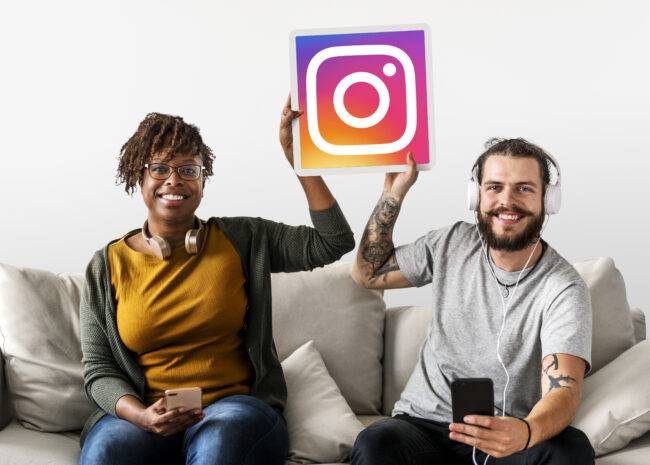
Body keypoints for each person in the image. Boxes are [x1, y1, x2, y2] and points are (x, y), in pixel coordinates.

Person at [79, 98, 355, 465]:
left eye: (188, 170)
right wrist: (140, 415)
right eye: (159, 168)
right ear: (138, 176)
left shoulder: (244, 238)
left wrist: (299, 159)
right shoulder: (106, 265)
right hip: (145, 415)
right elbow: (99, 369)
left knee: (219, 444)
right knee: (106, 452)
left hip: (232, 411)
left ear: (203, 181)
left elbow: (333, 241)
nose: (174, 180)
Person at [350, 139, 595, 465]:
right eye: (494, 187)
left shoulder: (563, 288)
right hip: (424, 426)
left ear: (548, 200)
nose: (507, 201)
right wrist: (392, 195)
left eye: (523, 189)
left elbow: (563, 389)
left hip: (508, 435)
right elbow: (367, 274)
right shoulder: (451, 243)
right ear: (476, 195)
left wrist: (525, 431)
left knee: (570, 450)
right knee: (375, 443)